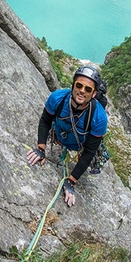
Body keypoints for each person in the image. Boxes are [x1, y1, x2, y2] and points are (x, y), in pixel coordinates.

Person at [27, 65, 108, 207]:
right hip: (60, 136)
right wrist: (41, 148)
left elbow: (89, 152)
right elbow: (45, 120)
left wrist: (71, 180)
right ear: (73, 85)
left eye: (88, 89)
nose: (82, 91)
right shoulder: (57, 98)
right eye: (79, 85)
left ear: (94, 94)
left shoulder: (99, 118)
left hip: (81, 145)